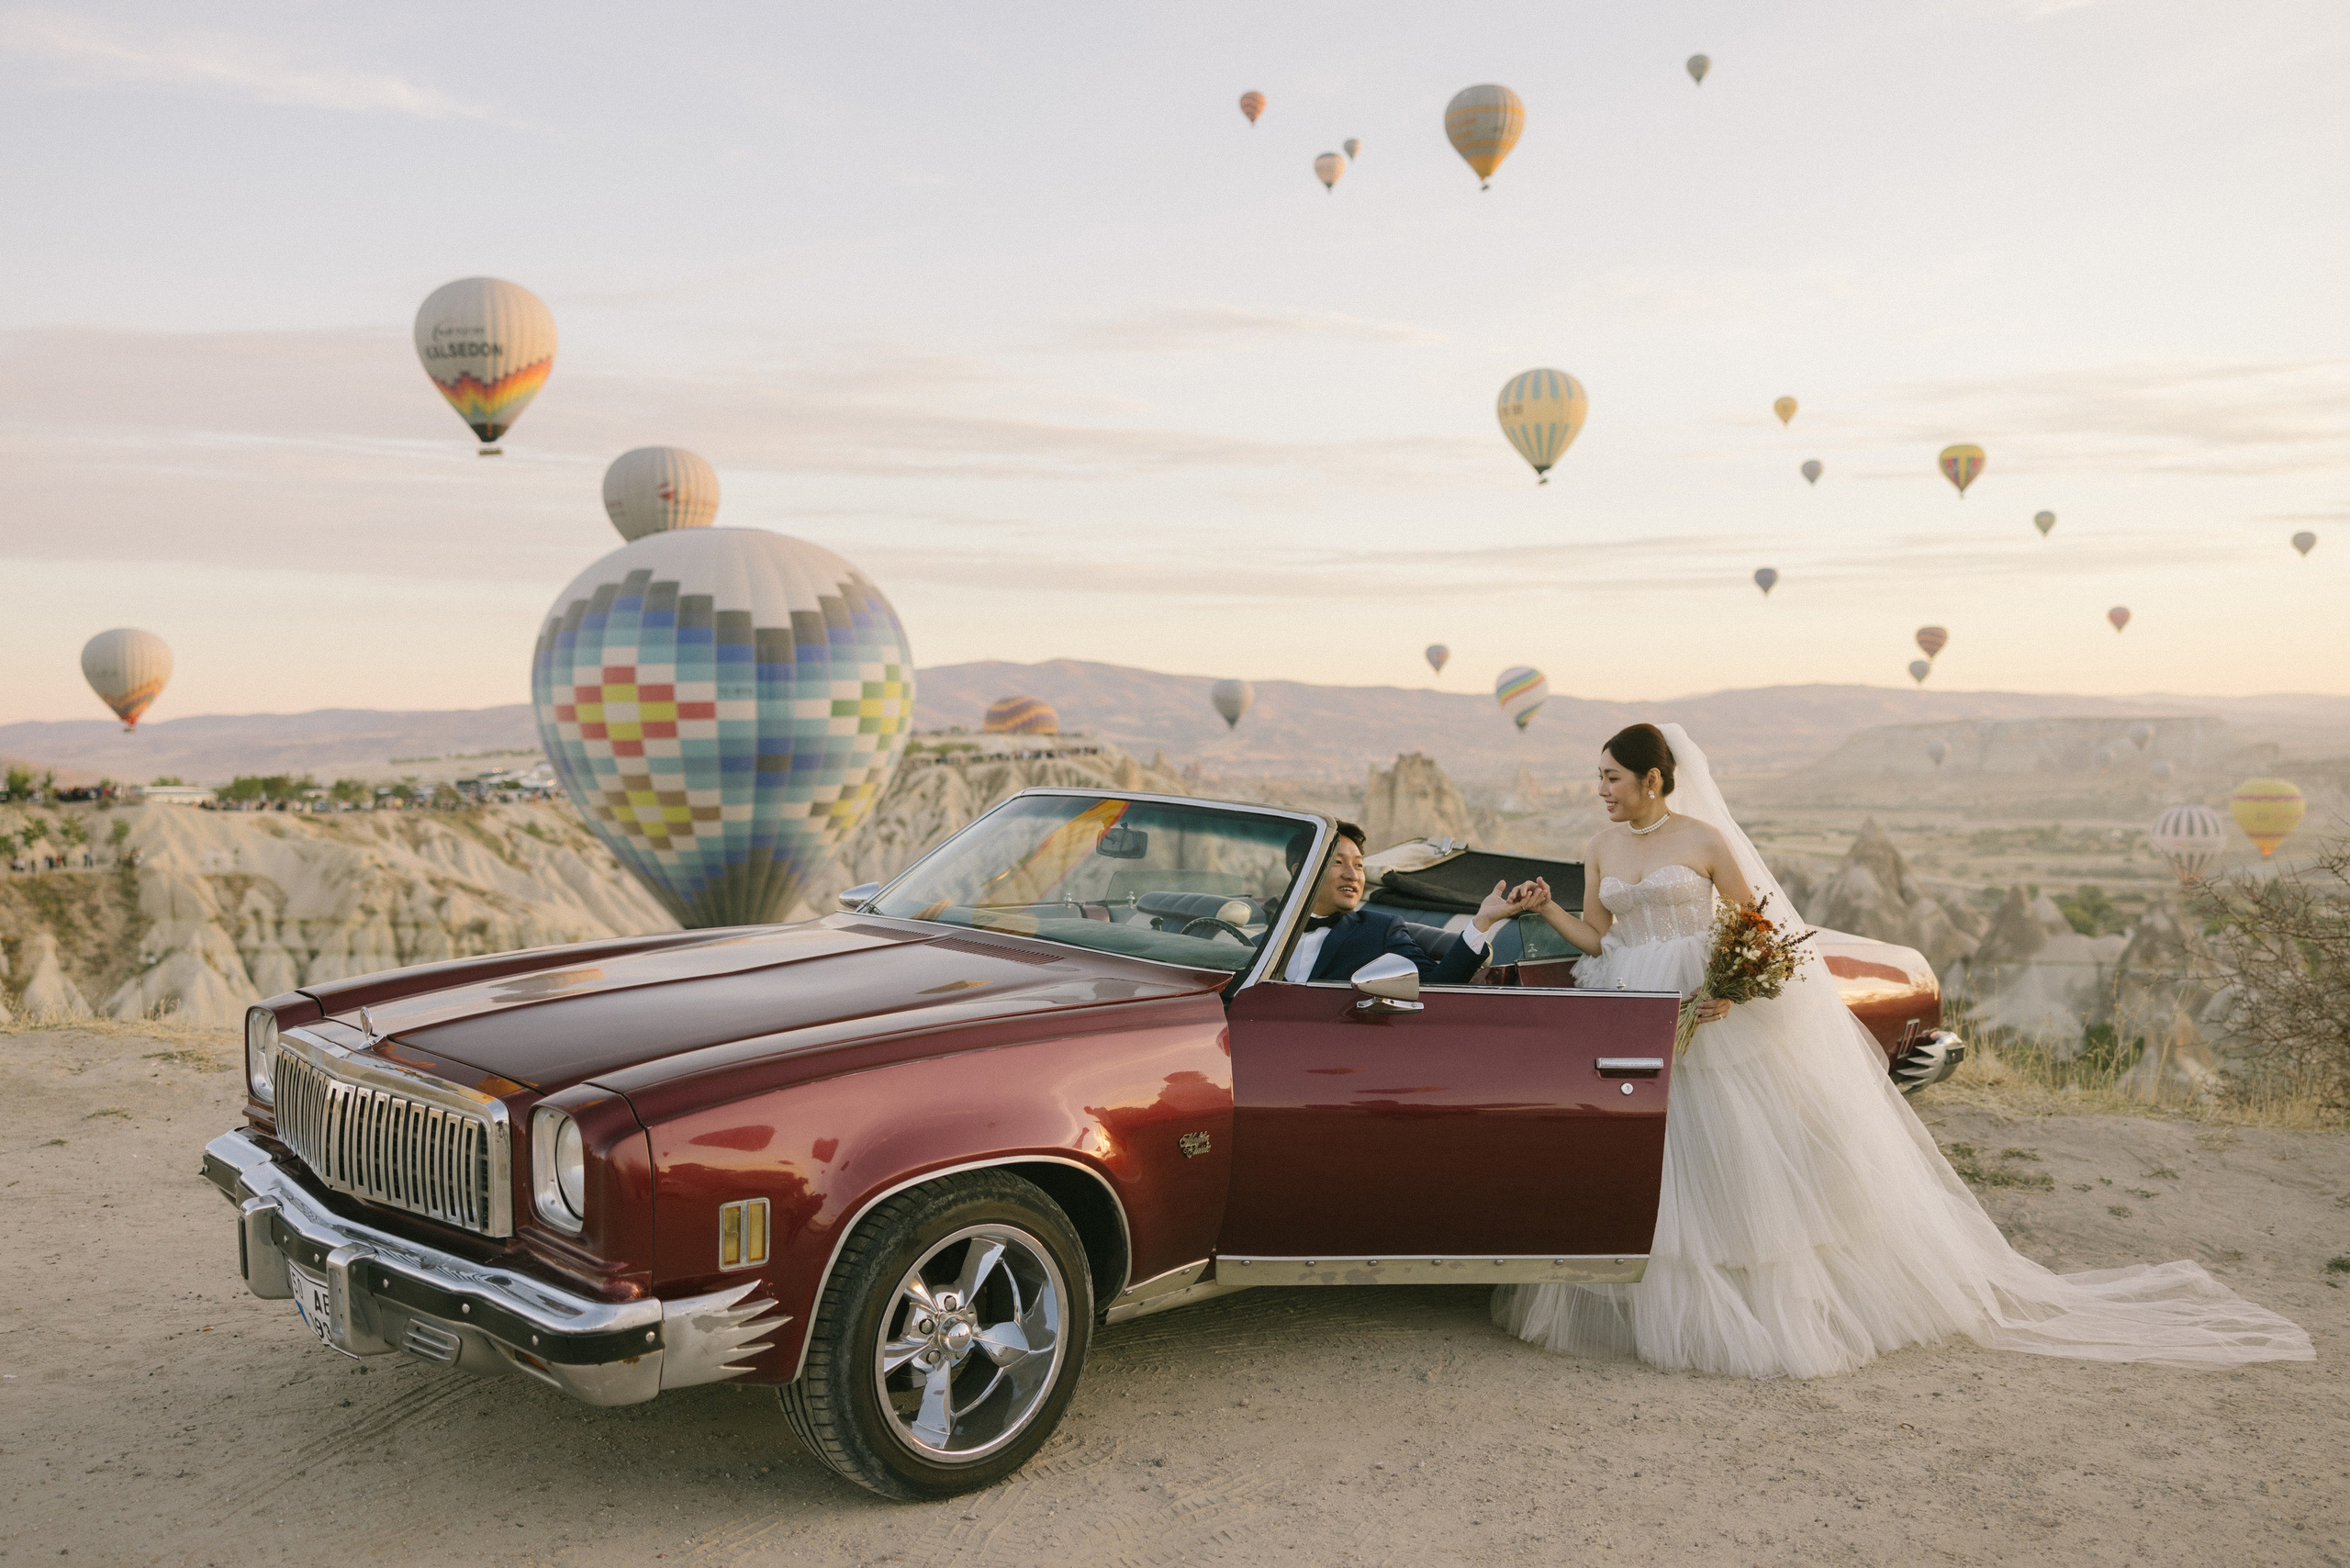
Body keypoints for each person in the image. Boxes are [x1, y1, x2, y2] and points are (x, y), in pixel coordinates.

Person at [1493, 722, 2310, 1377]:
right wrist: (1544, 911)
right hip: (1630, 1000)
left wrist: (1729, 991)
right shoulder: (1599, 850)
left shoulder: (1704, 840)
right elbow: (1597, 936)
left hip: (1705, 1004)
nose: (1600, 790)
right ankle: (1637, 1297)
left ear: (1653, 780)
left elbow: (1756, 925)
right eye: (1597, 778)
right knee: (1652, 1148)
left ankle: (1748, 1306)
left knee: (1723, 1151)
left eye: (1611, 778)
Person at [1281, 820, 1531, 986]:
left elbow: (1437, 984)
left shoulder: (1379, 930)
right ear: (1300, 872)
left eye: (1358, 865)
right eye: (1338, 862)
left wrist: (1482, 922)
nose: (1353, 875)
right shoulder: (1266, 940)